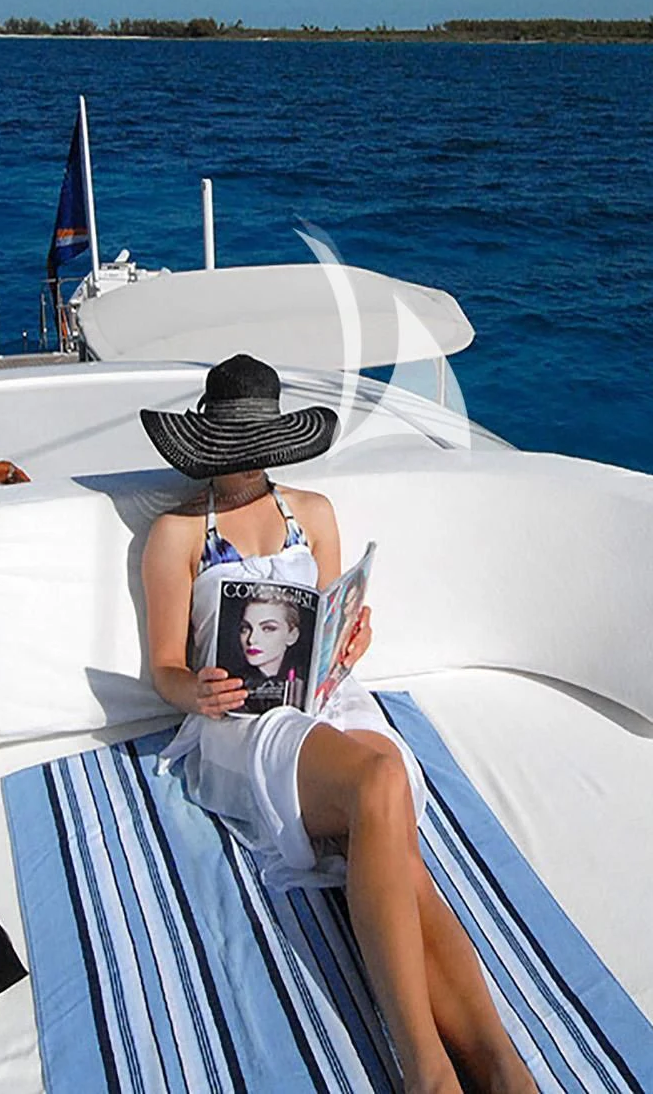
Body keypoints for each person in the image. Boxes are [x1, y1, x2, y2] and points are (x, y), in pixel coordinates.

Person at [142, 354, 535, 1094]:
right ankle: (428, 1070)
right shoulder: (178, 533)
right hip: (240, 721)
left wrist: (353, 638)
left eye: (256, 448)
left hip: (326, 700)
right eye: (232, 448)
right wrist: (196, 689)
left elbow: (325, 628)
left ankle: (498, 1067)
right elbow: (163, 667)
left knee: (393, 836)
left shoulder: (313, 515)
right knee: (380, 782)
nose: (244, 463)